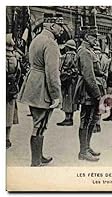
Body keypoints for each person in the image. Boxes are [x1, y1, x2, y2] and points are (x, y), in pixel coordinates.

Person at [18, 13, 64, 166]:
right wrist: (56, 96)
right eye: (60, 26)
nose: (62, 29)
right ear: (52, 25)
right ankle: (35, 161)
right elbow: (52, 73)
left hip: (33, 85)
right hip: (42, 88)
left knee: (38, 123)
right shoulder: (50, 43)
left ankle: (39, 157)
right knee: (40, 124)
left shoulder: (36, 39)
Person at [73, 26, 102, 162]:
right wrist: (97, 95)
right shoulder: (84, 52)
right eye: (93, 37)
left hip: (91, 89)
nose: (96, 39)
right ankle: (83, 151)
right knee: (85, 120)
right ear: (86, 37)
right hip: (87, 90)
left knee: (91, 119)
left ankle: (87, 147)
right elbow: (88, 76)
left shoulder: (88, 51)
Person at [57, 39, 79, 126]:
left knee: (67, 98)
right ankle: (71, 117)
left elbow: (62, 67)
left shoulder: (66, 56)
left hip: (67, 80)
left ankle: (67, 118)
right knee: (72, 98)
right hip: (74, 80)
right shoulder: (77, 56)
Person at [6, 34, 20, 149]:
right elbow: (19, 73)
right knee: (9, 114)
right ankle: (6, 138)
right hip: (11, 89)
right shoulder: (15, 57)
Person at [92, 44, 109, 133]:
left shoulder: (92, 56)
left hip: (94, 82)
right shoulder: (106, 59)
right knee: (101, 104)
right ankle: (98, 123)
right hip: (102, 83)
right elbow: (107, 73)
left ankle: (94, 125)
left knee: (93, 103)